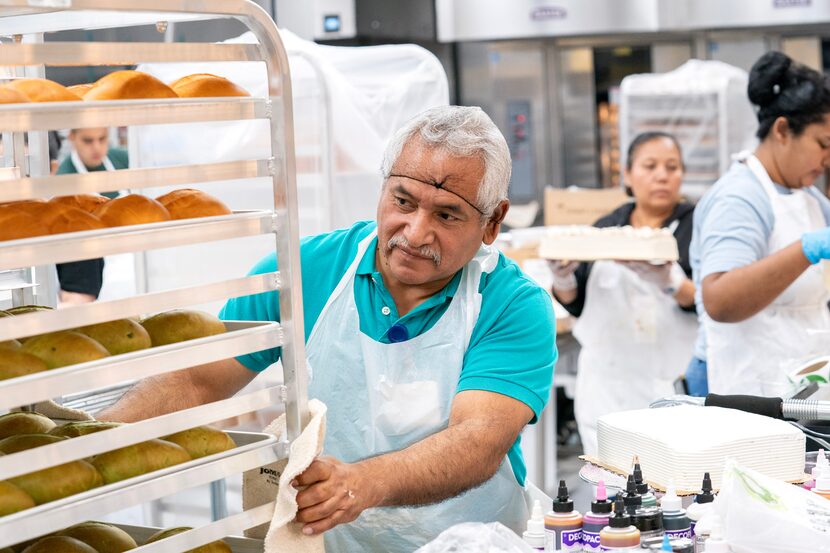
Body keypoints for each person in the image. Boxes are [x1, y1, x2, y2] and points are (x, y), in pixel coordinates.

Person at [99, 106, 557, 552]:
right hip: (333, 543)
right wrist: (90, 445)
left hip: (471, 541)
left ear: (493, 222)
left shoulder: (513, 305)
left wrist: (360, 483)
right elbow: (197, 379)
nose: (415, 233)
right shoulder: (302, 272)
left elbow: (476, 441)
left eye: (446, 215)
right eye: (403, 201)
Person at [689, 51, 830, 397]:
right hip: (743, 389)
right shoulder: (739, 197)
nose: (828, 160)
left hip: (799, 384)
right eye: (823, 144)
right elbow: (720, 300)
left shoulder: (810, 197)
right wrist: (807, 249)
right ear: (782, 130)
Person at [549, 132, 697, 456]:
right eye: (650, 166)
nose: (662, 175)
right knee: (609, 485)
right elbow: (575, 302)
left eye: (672, 167)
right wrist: (562, 277)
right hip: (606, 385)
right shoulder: (606, 226)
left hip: (669, 384)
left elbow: (708, 302)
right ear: (628, 175)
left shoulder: (695, 226)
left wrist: (669, 282)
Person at [54, 127, 127, 305]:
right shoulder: (65, 178)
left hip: (133, 270)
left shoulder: (122, 159)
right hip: (99, 279)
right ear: (72, 137)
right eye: (88, 141)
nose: (97, 147)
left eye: (102, 139)